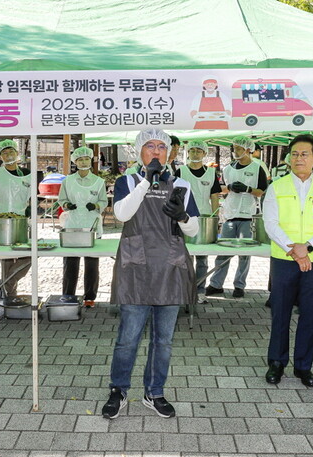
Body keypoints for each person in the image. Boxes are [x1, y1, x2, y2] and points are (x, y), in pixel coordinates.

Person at [102, 128, 199, 420]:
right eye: (149, 146)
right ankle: (118, 390)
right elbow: (122, 214)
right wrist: (147, 180)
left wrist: (181, 216)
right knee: (128, 337)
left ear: (169, 152)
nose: (156, 151)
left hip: (170, 267)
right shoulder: (128, 181)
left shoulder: (182, 184)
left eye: (161, 146)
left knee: (164, 339)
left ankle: (154, 391)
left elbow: (193, 229)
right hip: (136, 268)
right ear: (139, 151)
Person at [262, 134, 313, 388]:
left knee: (310, 313)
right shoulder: (277, 187)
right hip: (284, 258)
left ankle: (303, 366)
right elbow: (270, 222)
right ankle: (276, 362)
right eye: (294, 154)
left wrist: (307, 247)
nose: (299, 158)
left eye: (305, 154)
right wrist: (293, 249)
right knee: (280, 312)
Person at [206, 136, 267, 298]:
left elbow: (261, 191)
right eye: (234, 148)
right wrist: (230, 188)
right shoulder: (228, 168)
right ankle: (216, 284)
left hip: (248, 214)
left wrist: (248, 189)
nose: (235, 151)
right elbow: (221, 189)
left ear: (248, 149)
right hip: (230, 214)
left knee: (244, 254)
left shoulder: (257, 168)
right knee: (223, 252)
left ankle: (239, 285)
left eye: (238, 148)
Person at [0, 139, 36, 305]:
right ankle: (10, 295)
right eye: (4, 153)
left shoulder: (28, 173)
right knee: (6, 258)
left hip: (22, 219)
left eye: (11, 152)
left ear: (17, 153)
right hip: (2, 219)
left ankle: (6, 283)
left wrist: (30, 209)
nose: (8, 155)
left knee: (28, 255)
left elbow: (34, 196)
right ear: (0, 156)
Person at [59, 146, 108, 307]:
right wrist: (67, 204)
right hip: (72, 225)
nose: (84, 161)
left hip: (92, 225)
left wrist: (95, 206)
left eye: (86, 158)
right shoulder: (67, 181)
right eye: (80, 159)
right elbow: (61, 199)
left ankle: (90, 297)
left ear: (91, 160)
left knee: (92, 264)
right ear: (75, 161)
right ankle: (68, 296)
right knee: (70, 263)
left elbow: (104, 201)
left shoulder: (99, 182)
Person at [177, 140, 221, 303]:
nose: (195, 154)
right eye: (192, 150)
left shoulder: (210, 173)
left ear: (204, 153)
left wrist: (215, 218)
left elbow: (215, 196)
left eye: (198, 151)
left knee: (202, 258)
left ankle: (200, 290)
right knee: (184, 257)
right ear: (188, 153)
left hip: (205, 219)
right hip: (184, 218)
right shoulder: (180, 171)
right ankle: (184, 290)